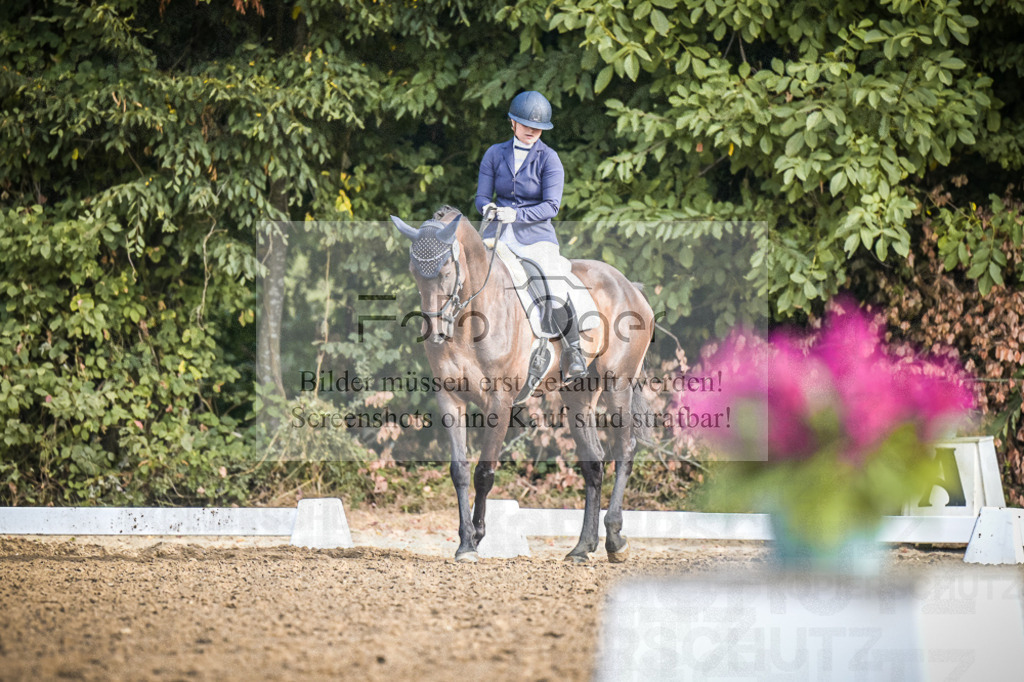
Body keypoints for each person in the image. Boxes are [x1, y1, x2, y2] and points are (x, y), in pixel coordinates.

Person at [475, 90, 588, 381]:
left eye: (538, 128)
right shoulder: (494, 154)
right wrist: (487, 207)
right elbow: (482, 196)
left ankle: (573, 350)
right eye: (526, 125)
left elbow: (551, 206)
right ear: (512, 122)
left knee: (553, 280)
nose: (532, 131)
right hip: (498, 233)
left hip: (536, 236)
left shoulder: (549, 159)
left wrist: (518, 215)